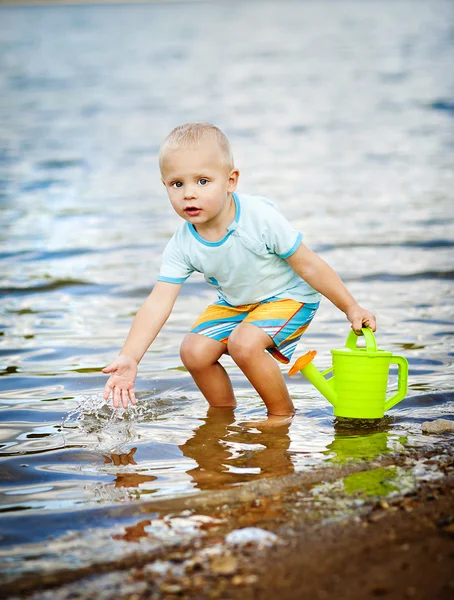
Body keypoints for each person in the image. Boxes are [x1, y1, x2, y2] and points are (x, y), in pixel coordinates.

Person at [103, 122, 376, 421]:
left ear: (230, 181)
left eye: (203, 181)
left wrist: (351, 307)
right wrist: (130, 356)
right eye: (177, 184)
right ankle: (221, 416)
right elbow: (158, 302)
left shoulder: (259, 219)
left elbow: (308, 263)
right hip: (237, 304)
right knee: (193, 351)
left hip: (290, 297)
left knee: (244, 343)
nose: (189, 194)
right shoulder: (182, 244)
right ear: (165, 185)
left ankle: (281, 415)